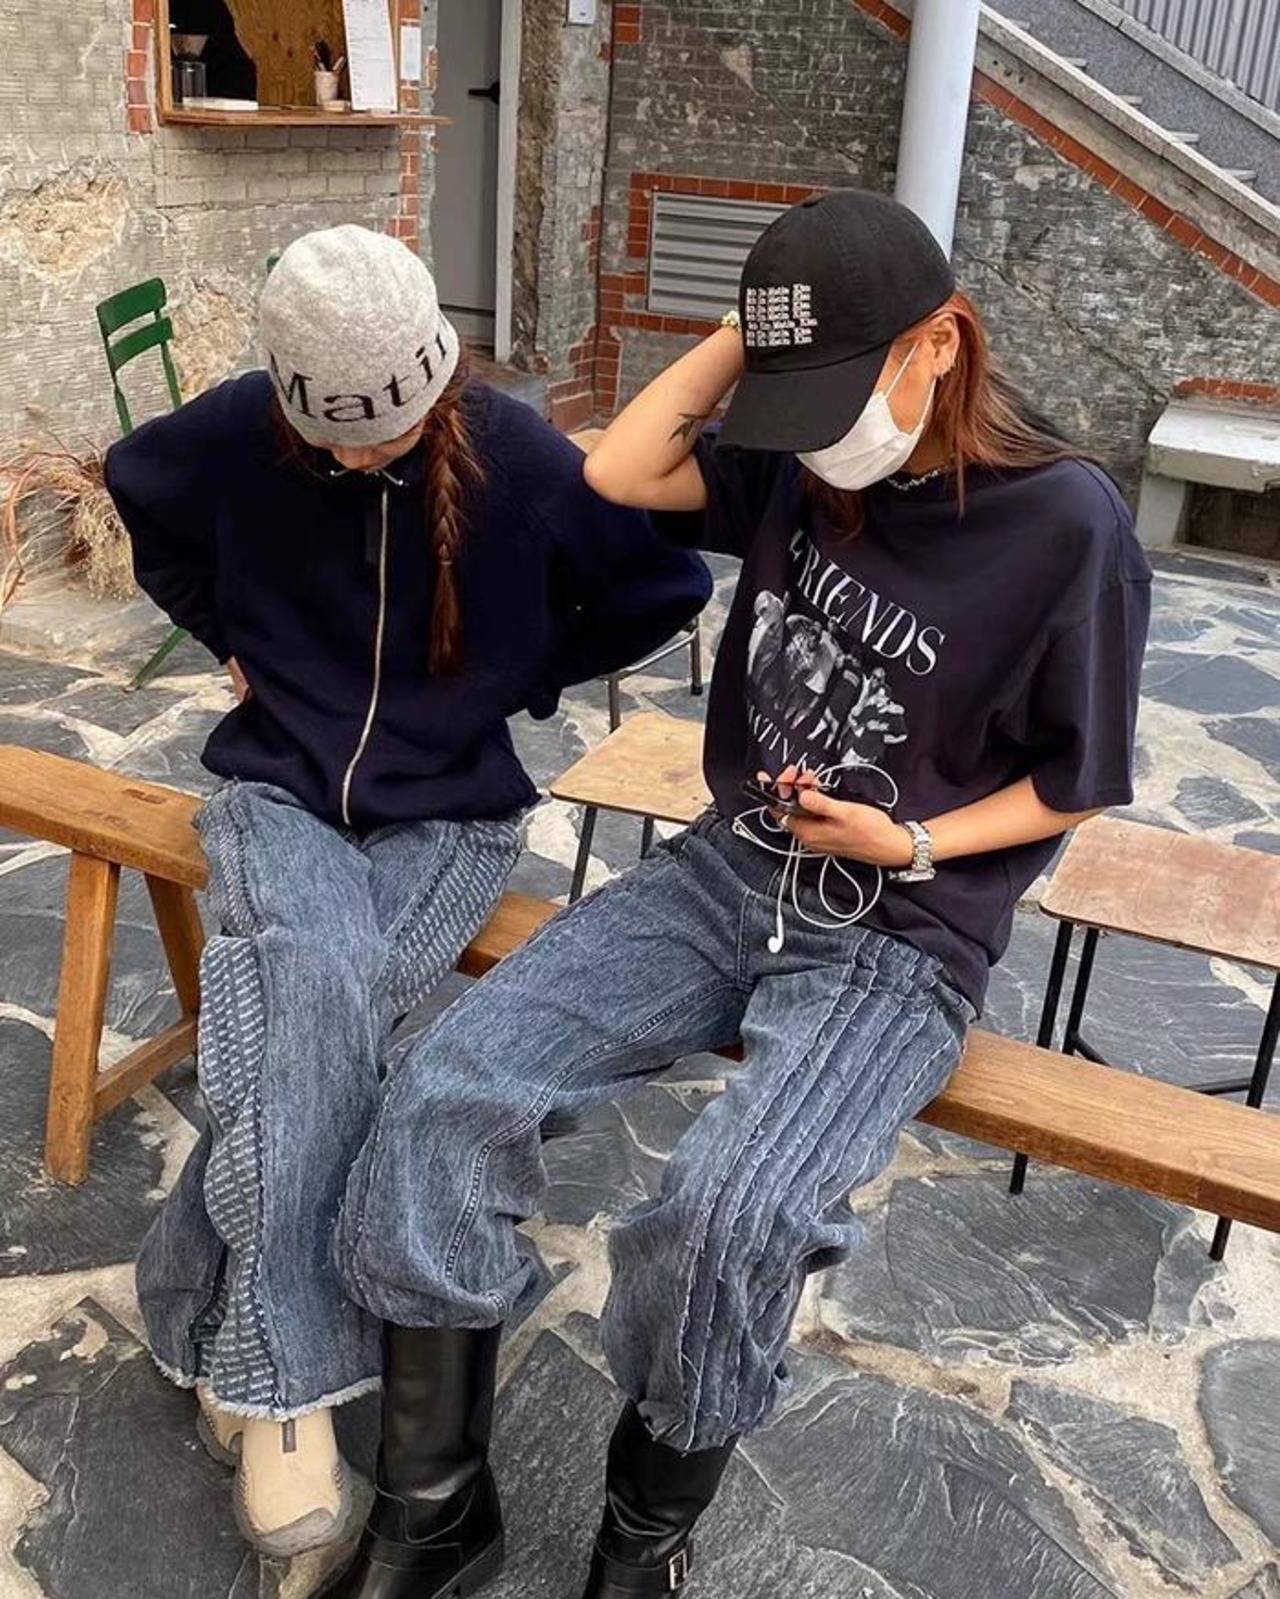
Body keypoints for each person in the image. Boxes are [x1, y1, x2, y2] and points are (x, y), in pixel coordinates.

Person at [326, 190, 1151, 1599]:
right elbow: (617, 467)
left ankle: (638, 1549)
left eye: (839, 393)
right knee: (444, 1084)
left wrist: (911, 844)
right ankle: (436, 1510)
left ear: (942, 342)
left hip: (894, 932)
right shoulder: (802, 461)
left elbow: (1079, 783)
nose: (819, 435)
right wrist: (762, 332)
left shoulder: (1067, 525)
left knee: (733, 1214)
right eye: (795, 401)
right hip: (728, 870)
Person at [103, 224, 711, 1562]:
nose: (361, 456)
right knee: (312, 994)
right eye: (333, 438)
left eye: (384, 430)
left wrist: (518, 671)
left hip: (452, 811)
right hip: (277, 791)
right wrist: (232, 636)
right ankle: (288, 1390)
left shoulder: (524, 461)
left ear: (432, 377)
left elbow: (661, 585)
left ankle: (207, 1313)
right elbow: (138, 490)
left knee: (298, 1037)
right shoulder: (234, 432)